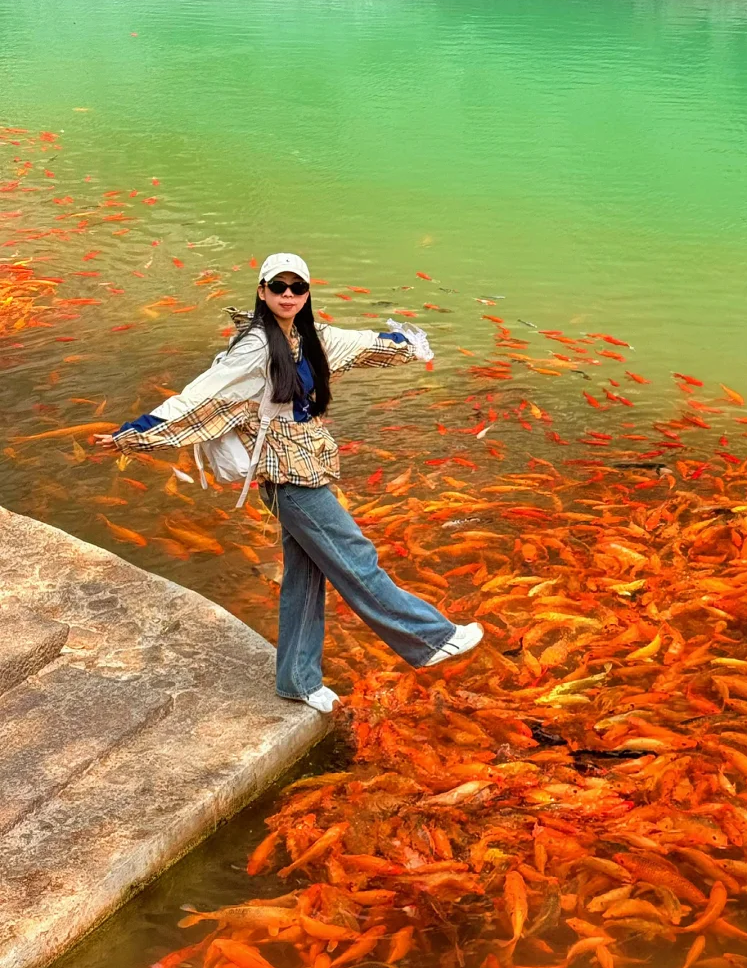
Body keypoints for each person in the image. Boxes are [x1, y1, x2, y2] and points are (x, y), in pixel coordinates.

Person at [94, 252, 482, 712]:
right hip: (285, 476)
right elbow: (200, 396)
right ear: (261, 292)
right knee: (355, 556)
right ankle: (429, 638)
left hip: (307, 463)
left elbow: (357, 345)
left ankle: (297, 680)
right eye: (277, 287)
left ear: (307, 293)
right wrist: (136, 433)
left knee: (306, 575)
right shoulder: (255, 348)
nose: (288, 295)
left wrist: (404, 341)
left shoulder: (308, 337)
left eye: (297, 288)